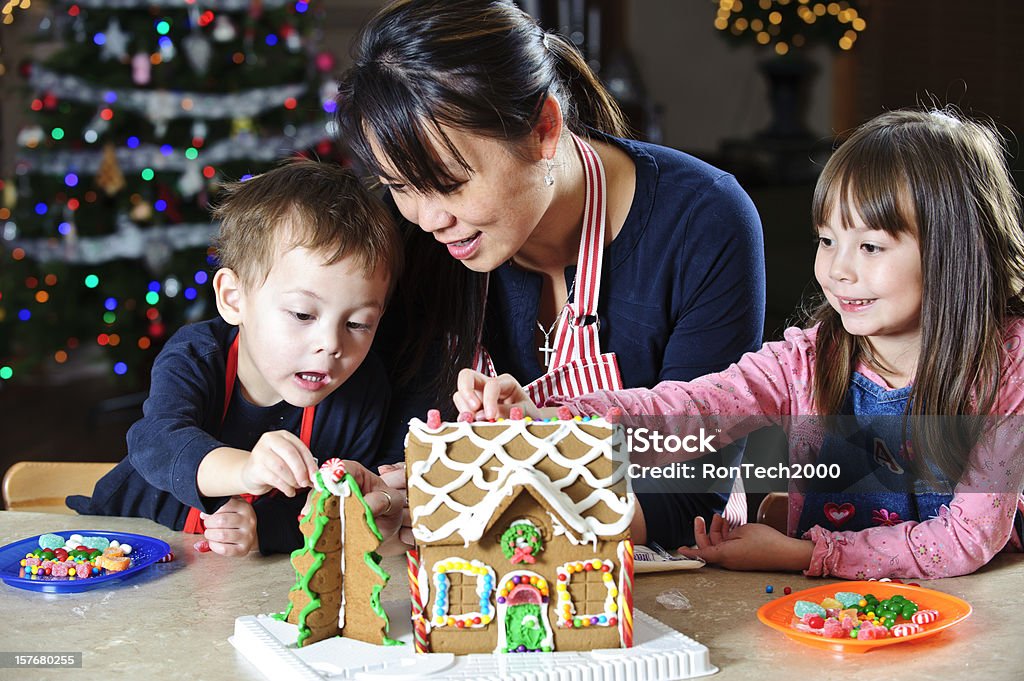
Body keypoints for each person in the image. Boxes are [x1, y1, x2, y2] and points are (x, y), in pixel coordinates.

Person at [455, 108, 1024, 579]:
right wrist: (549, 416)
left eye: (871, 247)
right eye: (827, 240)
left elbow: (964, 540)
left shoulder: (1009, 367)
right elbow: (691, 410)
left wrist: (805, 553)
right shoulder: (808, 358)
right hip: (833, 612)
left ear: (956, 252)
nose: (837, 270)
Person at [335, 0, 766, 548]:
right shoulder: (418, 238)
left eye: (449, 182)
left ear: (543, 129)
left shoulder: (703, 220)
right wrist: (389, 492)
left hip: (672, 575)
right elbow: (401, 440)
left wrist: (511, 507)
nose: (428, 218)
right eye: (400, 187)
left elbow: (689, 491)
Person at [67, 161, 406, 556]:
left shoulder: (364, 390)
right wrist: (246, 470)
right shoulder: (196, 355)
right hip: (123, 542)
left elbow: (324, 516)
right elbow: (156, 443)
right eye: (302, 314)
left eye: (359, 324)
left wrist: (264, 528)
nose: (331, 344)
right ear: (233, 298)